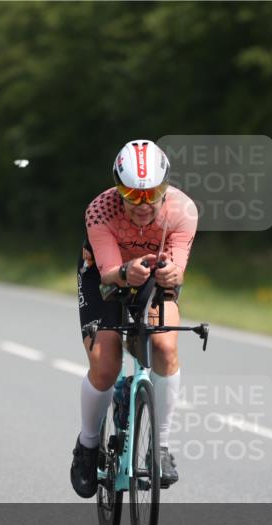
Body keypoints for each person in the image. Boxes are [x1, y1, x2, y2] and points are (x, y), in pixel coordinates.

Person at [71, 139, 198, 498]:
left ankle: (160, 448)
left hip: (153, 279)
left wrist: (171, 275)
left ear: (166, 187)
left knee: (164, 349)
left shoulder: (183, 210)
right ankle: (88, 444)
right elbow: (111, 273)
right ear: (117, 188)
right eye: (132, 194)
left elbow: (177, 268)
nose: (142, 205)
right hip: (105, 277)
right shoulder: (100, 210)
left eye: (152, 193)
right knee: (106, 363)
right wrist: (127, 271)